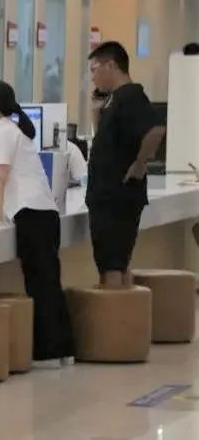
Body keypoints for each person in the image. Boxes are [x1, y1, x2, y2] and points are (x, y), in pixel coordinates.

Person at [0, 80, 74, 365]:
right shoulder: (17, 130)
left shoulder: (2, 132)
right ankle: (62, 348)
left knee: (39, 285)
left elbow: (0, 177)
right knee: (49, 282)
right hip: (45, 213)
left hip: (31, 214)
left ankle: (48, 352)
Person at [86, 42, 166, 288]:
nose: (92, 77)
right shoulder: (114, 99)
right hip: (108, 195)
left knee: (112, 265)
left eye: (94, 69)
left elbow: (156, 128)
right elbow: (105, 139)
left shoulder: (131, 95)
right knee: (116, 264)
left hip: (117, 196)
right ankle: (122, 309)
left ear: (111, 65)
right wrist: (96, 110)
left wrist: (140, 164)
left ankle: (113, 312)